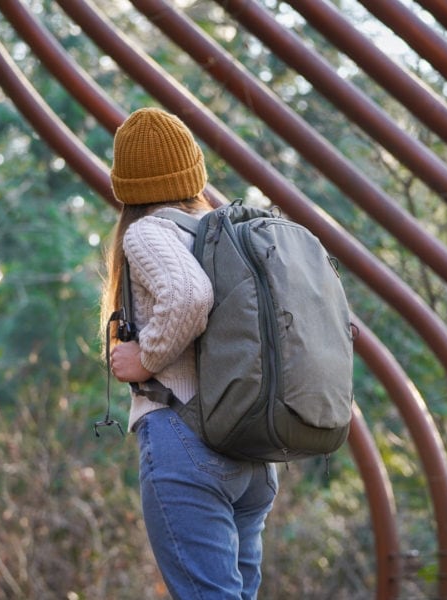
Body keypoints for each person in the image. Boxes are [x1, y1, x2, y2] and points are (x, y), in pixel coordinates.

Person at [100, 107, 278, 600]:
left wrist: (146, 357)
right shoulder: (226, 232)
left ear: (126, 187)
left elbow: (188, 296)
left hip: (186, 440)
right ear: (193, 172)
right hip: (250, 451)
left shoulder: (149, 232)